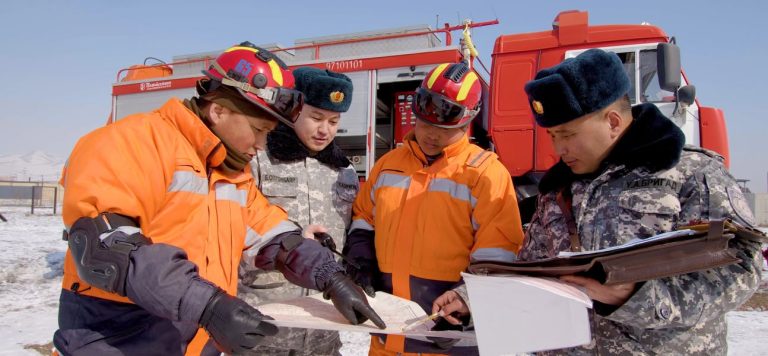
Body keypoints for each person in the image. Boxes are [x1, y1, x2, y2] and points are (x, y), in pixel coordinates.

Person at [53, 42, 384, 356]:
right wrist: (208, 305)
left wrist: (329, 275)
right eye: (258, 130)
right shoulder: (130, 143)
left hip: (196, 340)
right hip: (120, 339)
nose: (261, 144)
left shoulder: (227, 171)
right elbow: (106, 249)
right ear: (218, 110)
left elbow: (273, 235)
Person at [433, 49, 763, 354]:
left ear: (613, 122)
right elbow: (530, 270)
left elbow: (741, 268)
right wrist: (471, 299)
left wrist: (638, 298)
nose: (558, 149)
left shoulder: (691, 174)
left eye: (568, 135)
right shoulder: (557, 189)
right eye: (552, 136)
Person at [343, 61, 524, 355]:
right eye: (424, 123)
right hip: (386, 337)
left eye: (443, 129)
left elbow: (500, 250)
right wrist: (360, 258)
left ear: (468, 122)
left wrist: (467, 297)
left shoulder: (485, 174)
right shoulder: (387, 166)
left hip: (449, 339)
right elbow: (364, 218)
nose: (431, 134)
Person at [240, 66, 358, 355]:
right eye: (316, 118)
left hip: (323, 327)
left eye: (333, 121)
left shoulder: (343, 171)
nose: (324, 130)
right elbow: (233, 227)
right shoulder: (257, 159)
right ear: (293, 112)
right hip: (266, 322)